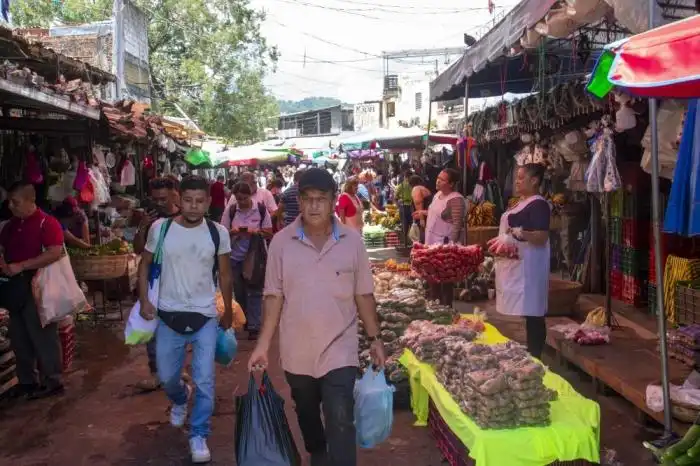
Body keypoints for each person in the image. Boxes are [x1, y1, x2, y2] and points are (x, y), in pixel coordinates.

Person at [248, 168, 385, 466]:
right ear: (299, 200)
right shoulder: (282, 243)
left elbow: (363, 295)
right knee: (308, 415)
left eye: (320, 199)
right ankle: (317, 452)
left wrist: (375, 339)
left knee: (340, 418)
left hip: (341, 348)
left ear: (333, 200)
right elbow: (273, 297)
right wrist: (262, 345)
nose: (313, 206)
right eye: (307, 199)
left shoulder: (353, 242)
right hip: (297, 351)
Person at [138, 175, 233, 464]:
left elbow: (225, 274)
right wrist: (144, 300)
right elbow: (143, 266)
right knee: (167, 377)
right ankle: (180, 398)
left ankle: (198, 434)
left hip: (205, 315)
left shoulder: (217, 232)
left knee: (205, 380)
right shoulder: (161, 229)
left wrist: (227, 309)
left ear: (208, 202)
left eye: (200, 201)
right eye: (188, 200)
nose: (193, 207)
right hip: (168, 316)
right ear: (180, 199)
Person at [0, 182, 64, 400]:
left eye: (15, 202)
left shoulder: (47, 223)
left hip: (39, 286)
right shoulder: (10, 225)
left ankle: (52, 380)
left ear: (30, 201)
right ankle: (27, 381)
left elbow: (55, 253)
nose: (10, 206)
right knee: (19, 336)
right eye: (9, 201)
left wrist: (22, 265)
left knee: (43, 335)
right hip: (14, 287)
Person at [492, 164, 551, 359]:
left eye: (520, 177)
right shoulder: (520, 202)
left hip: (531, 266)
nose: (516, 181)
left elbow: (541, 237)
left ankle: (536, 355)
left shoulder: (539, 204)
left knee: (534, 312)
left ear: (534, 180)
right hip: (517, 263)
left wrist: (521, 233)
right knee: (527, 311)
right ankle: (530, 352)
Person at [132, 177, 180, 391]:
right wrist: (142, 227)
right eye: (156, 198)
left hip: (180, 280)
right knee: (152, 326)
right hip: (153, 279)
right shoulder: (149, 219)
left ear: (173, 194)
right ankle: (156, 372)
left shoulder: (185, 216)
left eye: (163, 198)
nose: (159, 202)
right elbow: (138, 250)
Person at [220, 181, 273, 340]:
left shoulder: (261, 210)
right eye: (238, 198)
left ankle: (254, 326)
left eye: (244, 198)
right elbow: (223, 233)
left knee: (255, 292)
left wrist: (254, 232)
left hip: (255, 258)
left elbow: (269, 232)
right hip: (235, 258)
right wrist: (233, 232)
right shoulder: (231, 211)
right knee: (240, 291)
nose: (241, 201)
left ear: (250, 195)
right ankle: (246, 319)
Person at [414, 168, 467, 245]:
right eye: (438, 178)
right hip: (431, 239)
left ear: (451, 184)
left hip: (443, 243)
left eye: (442, 180)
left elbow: (457, 225)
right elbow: (437, 214)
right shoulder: (438, 194)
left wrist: (451, 245)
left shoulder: (456, 200)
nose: (438, 181)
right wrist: (423, 212)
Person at [409, 175, 433, 243]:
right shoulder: (424, 188)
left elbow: (418, 203)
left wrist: (421, 219)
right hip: (428, 216)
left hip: (423, 218)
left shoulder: (416, 189)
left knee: (422, 240)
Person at [394, 166, 414, 244]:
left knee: (407, 225)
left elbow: (395, 198)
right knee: (409, 225)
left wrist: (398, 205)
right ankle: (409, 242)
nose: (408, 179)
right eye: (409, 177)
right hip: (408, 207)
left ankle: (407, 242)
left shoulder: (403, 186)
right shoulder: (407, 185)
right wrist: (398, 205)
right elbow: (395, 198)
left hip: (407, 207)